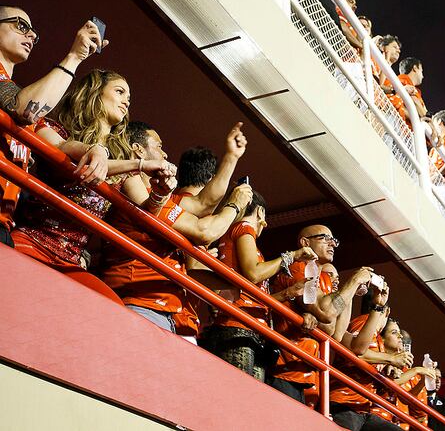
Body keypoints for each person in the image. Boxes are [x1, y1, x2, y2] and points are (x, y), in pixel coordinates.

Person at [10, 70, 173, 301]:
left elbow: (144, 210)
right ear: (95, 94)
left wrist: (160, 192)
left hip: (70, 262)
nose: (127, 100)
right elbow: (63, 148)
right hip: (31, 243)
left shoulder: (123, 158)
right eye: (119, 92)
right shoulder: (54, 128)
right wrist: (98, 151)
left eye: (129, 97)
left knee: (113, 312)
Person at [99, 121, 253, 335]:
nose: (164, 153)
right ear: (138, 150)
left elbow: (203, 204)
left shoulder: (155, 192)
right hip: (139, 303)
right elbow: (204, 231)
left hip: (158, 308)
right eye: (159, 146)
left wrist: (231, 157)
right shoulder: (135, 188)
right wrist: (234, 205)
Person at [1, 5, 108, 246]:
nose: (30, 35)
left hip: (5, 224)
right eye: (20, 25)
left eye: (33, 33)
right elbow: (23, 109)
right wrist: (74, 56)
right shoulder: (14, 97)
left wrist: (95, 150)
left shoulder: (17, 92)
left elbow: (58, 143)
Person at [202, 189, 320, 381]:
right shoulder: (244, 227)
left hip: (248, 328)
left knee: (246, 399)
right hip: (239, 327)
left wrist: (288, 293)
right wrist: (292, 256)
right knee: (241, 397)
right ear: (260, 213)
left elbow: (252, 293)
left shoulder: (234, 233)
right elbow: (253, 273)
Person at [270, 224, 373, 404]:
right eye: (325, 238)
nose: (332, 244)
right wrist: (354, 280)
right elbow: (327, 313)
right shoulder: (299, 266)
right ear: (305, 242)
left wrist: (352, 288)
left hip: (305, 371)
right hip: (283, 367)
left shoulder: (323, 277)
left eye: (333, 240)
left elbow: (335, 332)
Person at [329, 285, 407, 431]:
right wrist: (390, 358)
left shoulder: (378, 339)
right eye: (395, 332)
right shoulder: (363, 321)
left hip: (363, 409)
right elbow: (359, 351)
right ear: (388, 312)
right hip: (343, 403)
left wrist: (387, 368)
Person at [372, 320, 436, 430]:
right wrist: (416, 370)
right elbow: (391, 383)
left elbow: (405, 400)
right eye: (394, 332)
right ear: (381, 338)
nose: (400, 336)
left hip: (392, 423)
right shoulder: (379, 357)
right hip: (375, 418)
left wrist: (423, 379)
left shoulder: (403, 368)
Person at [389, 57, 427, 128]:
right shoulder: (404, 81)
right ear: (415, 68)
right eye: (421, 71)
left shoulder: (406, 84)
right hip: (399, 127)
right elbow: (416, 104)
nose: (423, 76)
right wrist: (428, 119)